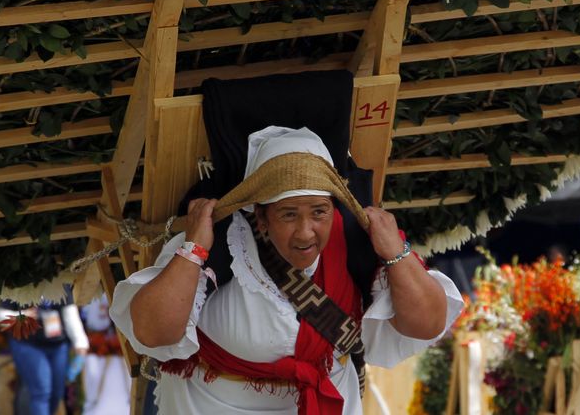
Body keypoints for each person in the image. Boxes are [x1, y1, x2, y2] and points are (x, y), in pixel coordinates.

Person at [111, 126, 464, 413]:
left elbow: (426, 324)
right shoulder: (216, 239)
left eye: (319, 212)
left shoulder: (361, 240)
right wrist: (194, 248)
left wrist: (395, 252)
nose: (306, 231)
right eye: (289, 214)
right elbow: (154, 332)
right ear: (261, 216)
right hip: (211, 406)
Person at [0, 290, 89, 415]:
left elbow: (69, 312)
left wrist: (81, 344)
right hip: (28, 344)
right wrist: (22, 316)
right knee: (42, 390)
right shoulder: (18, 280)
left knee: (57, 392)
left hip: (58, 344)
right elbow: (1, 316)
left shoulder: (61, 277)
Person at [81, 293, 130, 415]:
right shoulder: (86, 295)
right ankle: (91, 404)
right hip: (90, 339)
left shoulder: (109, 293)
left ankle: (129, 401)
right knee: (93, 373)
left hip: (110, 338)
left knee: (122, 374)